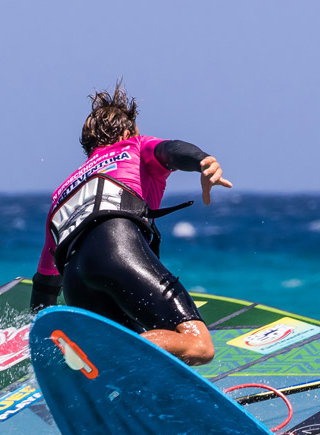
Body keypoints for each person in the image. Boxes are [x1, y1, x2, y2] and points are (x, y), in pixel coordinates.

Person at [29, 83, 232, 366]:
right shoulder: (134, 146)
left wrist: (38, 339)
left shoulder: (62, 191)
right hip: (117, 249)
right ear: (127, 132)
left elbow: (46, 282)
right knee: (198, 345)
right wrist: (203, 161)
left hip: (76, 282)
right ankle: (106, 353)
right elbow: (170, 150)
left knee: (141, 363)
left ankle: (100, 363)